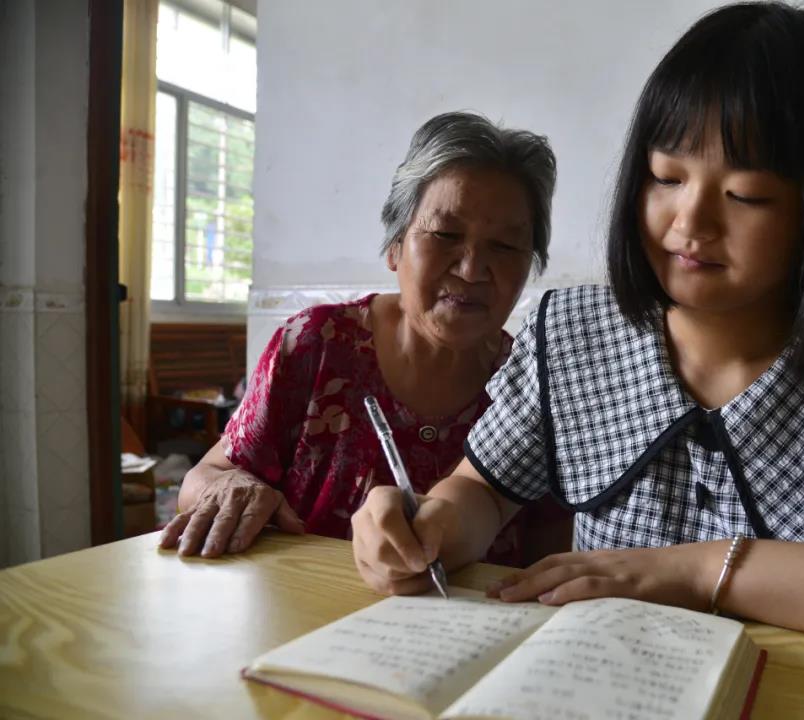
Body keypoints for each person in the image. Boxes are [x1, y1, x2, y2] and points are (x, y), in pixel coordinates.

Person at [349, 3, 804, 668]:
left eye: (745, 195)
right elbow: (483, 489)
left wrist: (705, 570)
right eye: (665, 177)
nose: (688, 224)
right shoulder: (570, 333)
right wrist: (434, 523)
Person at [160, 111, 571, 567]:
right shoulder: (315, 346)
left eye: (506, 247)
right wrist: (228, 485)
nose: (473, 269)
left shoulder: (535, 385)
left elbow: (549, 539)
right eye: (445, 234)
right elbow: (206, 475)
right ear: (395, 246)